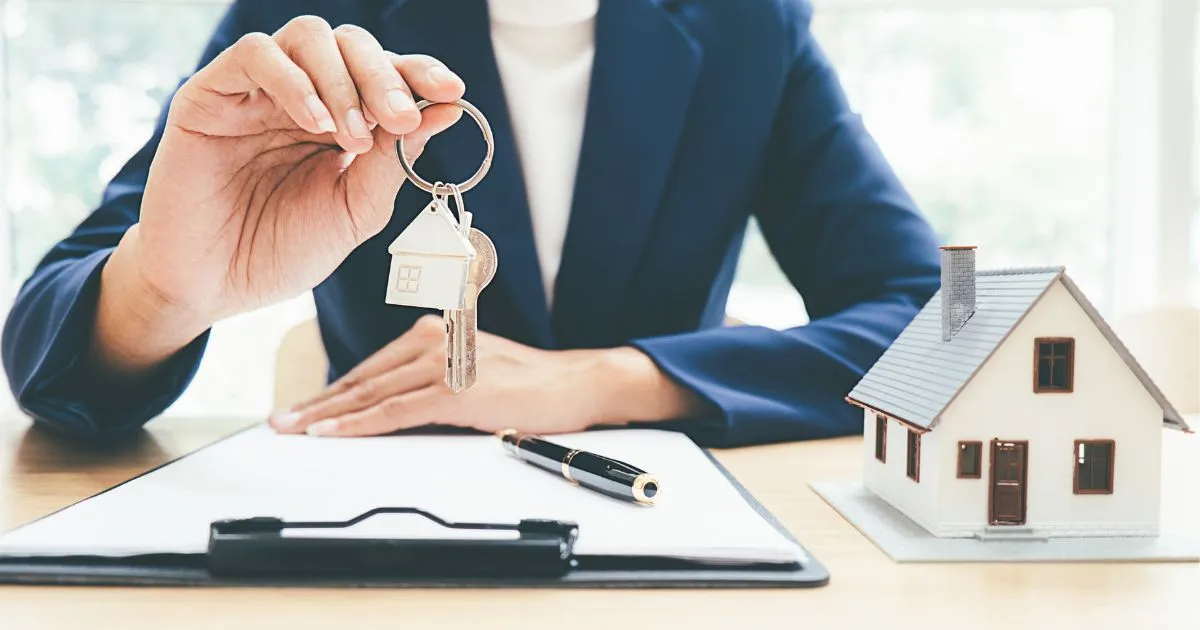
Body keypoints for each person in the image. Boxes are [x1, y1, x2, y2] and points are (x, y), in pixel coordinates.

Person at [0, 0, 941, 448]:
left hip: (664, 530)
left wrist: (609, 381)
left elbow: (933, 327)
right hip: (381, 539)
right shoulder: (312, 20)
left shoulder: (751, 27)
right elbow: (53, 359)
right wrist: (170, 289)